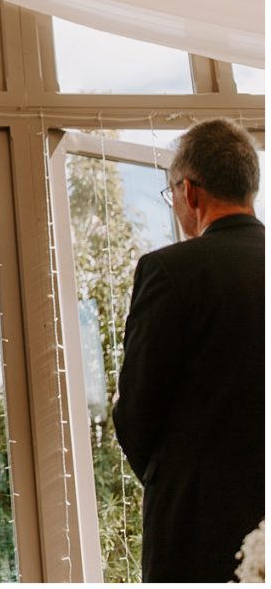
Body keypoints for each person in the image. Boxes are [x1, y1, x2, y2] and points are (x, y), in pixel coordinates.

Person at [113, 118, 264, 582]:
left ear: (190, 191)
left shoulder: (169, 271)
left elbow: (136, 410)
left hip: (197, 525)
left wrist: (176, 477)